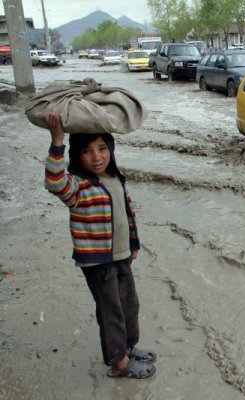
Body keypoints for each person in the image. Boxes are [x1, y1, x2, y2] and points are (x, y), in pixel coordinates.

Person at [43, 112, 156, 380]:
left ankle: (128, 348)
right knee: (110, 312)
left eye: (103, 148)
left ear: (111, 150)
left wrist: (133, 244)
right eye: (88, 151)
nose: (97, 157)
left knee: (130, 304)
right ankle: (118, 363)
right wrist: (57, 139)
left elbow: (126, 214)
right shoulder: (77, 186)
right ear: (77, 156)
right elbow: (54, 182)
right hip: (97, 262)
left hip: (121, 256)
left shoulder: (116, 178)